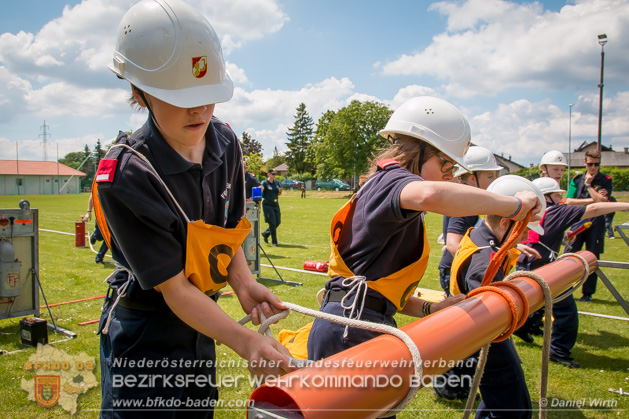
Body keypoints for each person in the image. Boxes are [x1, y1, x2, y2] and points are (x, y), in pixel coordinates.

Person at [94, 1, 294, 416]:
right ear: (140, 92)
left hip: (202, 325)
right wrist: (245, 341)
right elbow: (175, 289)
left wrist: (242, 283)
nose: (200, 109)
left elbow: (226, 232)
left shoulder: (225, 141)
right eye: (180, 96)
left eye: (208, 94)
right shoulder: (125, 173)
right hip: (144, 334)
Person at [306, 97, 542, 412]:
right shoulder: (393, 181)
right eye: (446, 165)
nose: (450, 176)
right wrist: (514, 205)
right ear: (418, 152)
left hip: (355, 323)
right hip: (351, 329)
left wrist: (433, 307)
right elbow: (431, 194)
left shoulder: (385, 189)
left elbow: (380, 292)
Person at [434, 146, 540, 401]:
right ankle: (450, 383)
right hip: (463, 270)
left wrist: (507, 244)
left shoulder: (480, 203)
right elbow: (452, 242)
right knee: (465, 330)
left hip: (476, 260)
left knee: (466, 333)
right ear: (473, 178)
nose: (494, 182)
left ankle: (462, 381)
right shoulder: (467, 204)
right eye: (490, 176)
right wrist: (482, 254)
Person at [449, 175, 545, 419]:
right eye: (524, 230)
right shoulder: (486, 258)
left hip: (485, 340)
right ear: (505, 223)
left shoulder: (482, 238)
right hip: (487, 341)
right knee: (515, 409)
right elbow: (487, 308)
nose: (525, 237)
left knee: (499, 401)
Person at [517, 177, 629, 368]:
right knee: (566, 312)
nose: (561, 199)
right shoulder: (558, 210)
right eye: (557, 195)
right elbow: (593, 209)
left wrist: (561, 236)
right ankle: (558, 351)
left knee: (538, 303)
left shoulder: (530, 211)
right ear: (547, 197)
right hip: (543, 269)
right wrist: (625, 205)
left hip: (524, 265)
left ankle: (523, 326)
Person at [565, 149, 613, 302]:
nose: (593, 167)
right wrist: (592, 201)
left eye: (596, 164)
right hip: (579, 218)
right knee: (569, 254)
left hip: (597, 221)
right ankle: (565, 288)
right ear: (585, 162)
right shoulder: (576, 178)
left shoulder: (605, 179)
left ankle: (588, 294)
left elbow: (603, 201)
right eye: (590, 164)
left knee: (592, 256)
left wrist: (589, 186)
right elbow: (569, 201)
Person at [83, 195, 109, 264]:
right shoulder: (98, 184)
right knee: (99, 237)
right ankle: (94, 235)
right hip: (101, 215)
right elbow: (92, 197)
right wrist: (89, 212)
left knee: (110, 238)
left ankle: (99, 258)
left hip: (112, 216)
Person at [261, 169, 282, 246]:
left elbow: (279, 193)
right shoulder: (265, 183)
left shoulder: (276, 182)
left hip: (275, 203)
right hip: (267, 203)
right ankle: (274, 242)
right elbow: (261, 193)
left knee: (278, 222)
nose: (274, 175)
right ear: (268, 174)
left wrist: (280, 191)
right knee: (272, 223)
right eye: (272, 174)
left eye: (275, 174)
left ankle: (266, 233)